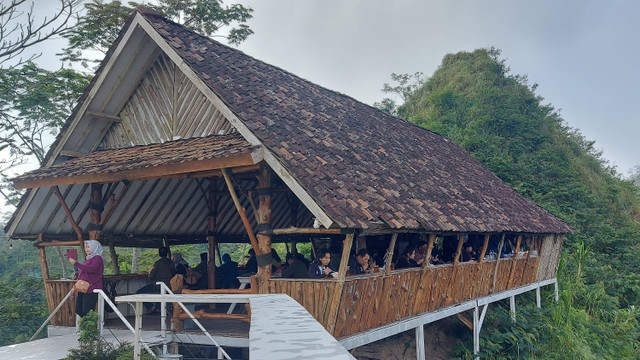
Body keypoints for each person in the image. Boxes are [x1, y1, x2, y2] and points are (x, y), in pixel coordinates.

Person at [69, 240, 104, 317]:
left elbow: (91, 269)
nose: (86, 249)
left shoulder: (98, 258)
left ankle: (89, 327)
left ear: (95, 247)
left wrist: (76, 263)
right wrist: (75, 287)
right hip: (83, 288)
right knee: (79, 310)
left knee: (87, 311)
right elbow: (82, 274)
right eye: (86, 247)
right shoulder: (88, 259)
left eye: (89, 247)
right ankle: (85, 326)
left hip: (92, 288)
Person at [137, 247, 175, 314]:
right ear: (166, 253)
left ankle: (150, 306)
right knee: (161, 293)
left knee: (139, 292)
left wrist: (149, 274)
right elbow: (174, 273)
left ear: (159, 254)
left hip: (158, 285)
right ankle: (158, 309)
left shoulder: (157, 263)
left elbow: (151, 276)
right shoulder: (171, 263)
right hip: (169, 286)